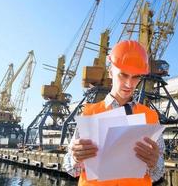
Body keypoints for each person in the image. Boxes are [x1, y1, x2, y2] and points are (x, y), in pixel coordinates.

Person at [63, 40, 165, 186]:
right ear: (110, 72)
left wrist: (155, 163)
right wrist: (74, 158)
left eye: (136, 77)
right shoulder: (88, 114)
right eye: (123, 75)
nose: (130, 84)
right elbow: (71, 170)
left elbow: (157, 174)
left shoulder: (150, 117)